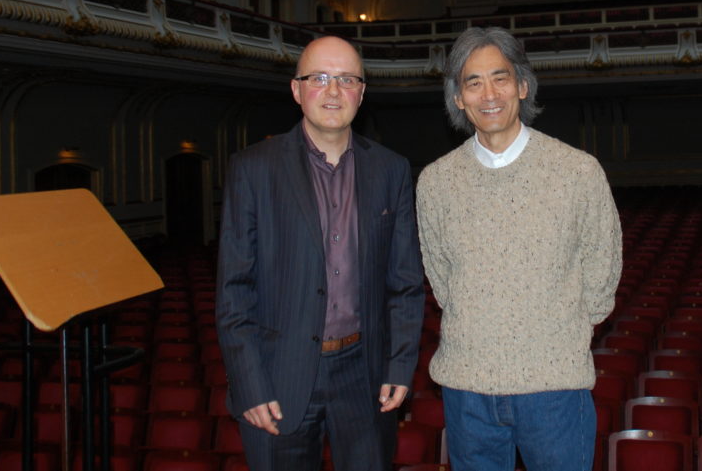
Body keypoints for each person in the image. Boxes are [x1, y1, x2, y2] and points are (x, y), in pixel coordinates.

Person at [416, 26, 622, 471]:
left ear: (522, 86)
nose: (488, 93)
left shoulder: (578, 172)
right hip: (467, 391)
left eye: (500, 78)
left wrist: (552, 336)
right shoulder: (434, 182)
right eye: (473, 82)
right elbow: (442, 278)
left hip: (554, 390)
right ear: (458, 98)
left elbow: (602, 275)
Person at [216, 35, 424, 471]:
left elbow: (404, 285)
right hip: (277, 377)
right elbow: (234, 291)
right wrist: (249, 384)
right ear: (296, 90)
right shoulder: (251, 168)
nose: (333, 91)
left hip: (365, 378)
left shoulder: (392, 170)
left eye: (347, 79)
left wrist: (400, 367)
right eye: (320, 78)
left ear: (362, 93)